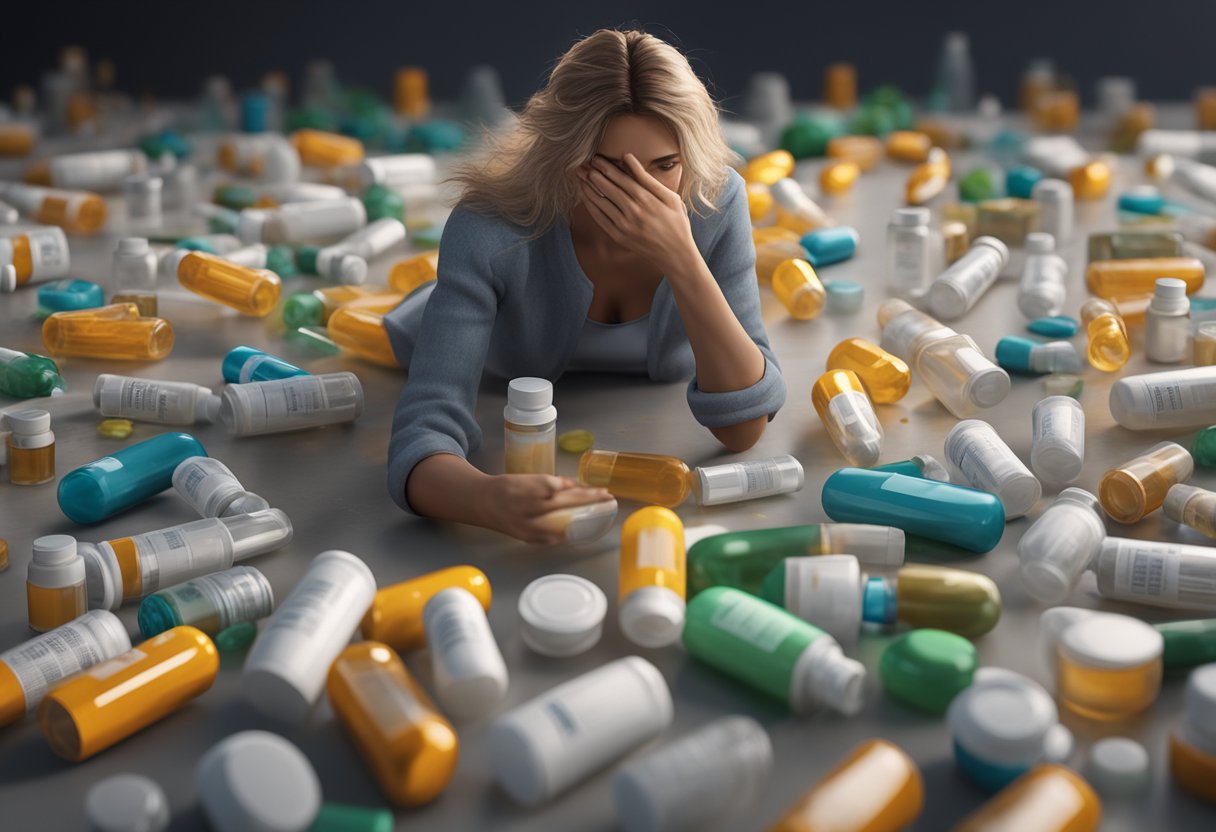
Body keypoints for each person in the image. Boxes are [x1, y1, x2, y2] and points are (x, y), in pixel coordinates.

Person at [385, 27, 787, 544]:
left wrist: (681, 255)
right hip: (486, 357)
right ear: (564, 156)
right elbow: (422, 432)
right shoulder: (487, 229)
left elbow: (743, 428)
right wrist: (485, 498)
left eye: (664, 166)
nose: (642, 194)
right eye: (612, 170)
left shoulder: (714, 199)